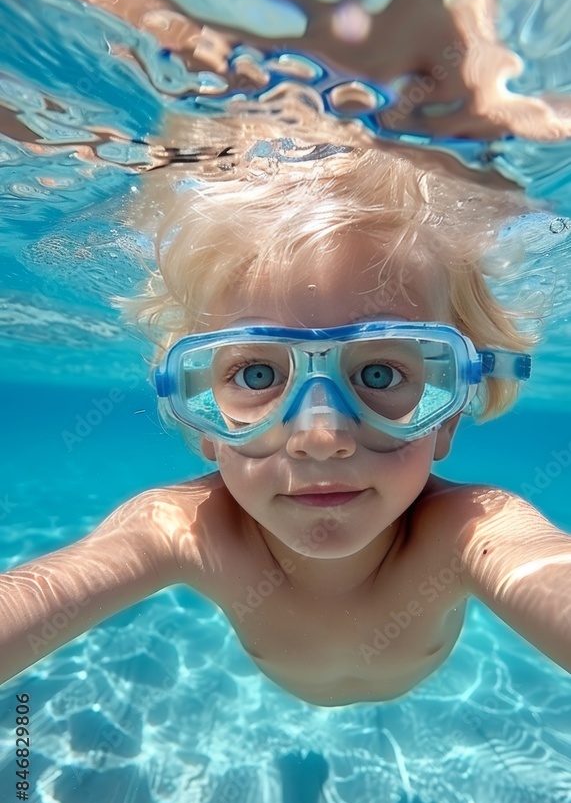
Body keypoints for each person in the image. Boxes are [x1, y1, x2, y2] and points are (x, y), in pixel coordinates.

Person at [0, 130, 570, 700]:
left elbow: (542, 568)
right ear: (198, 412)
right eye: (256, 375)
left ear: (447, 414)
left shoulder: (466, 531)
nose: (321, 436)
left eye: (379, 375)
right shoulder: (189, 532)